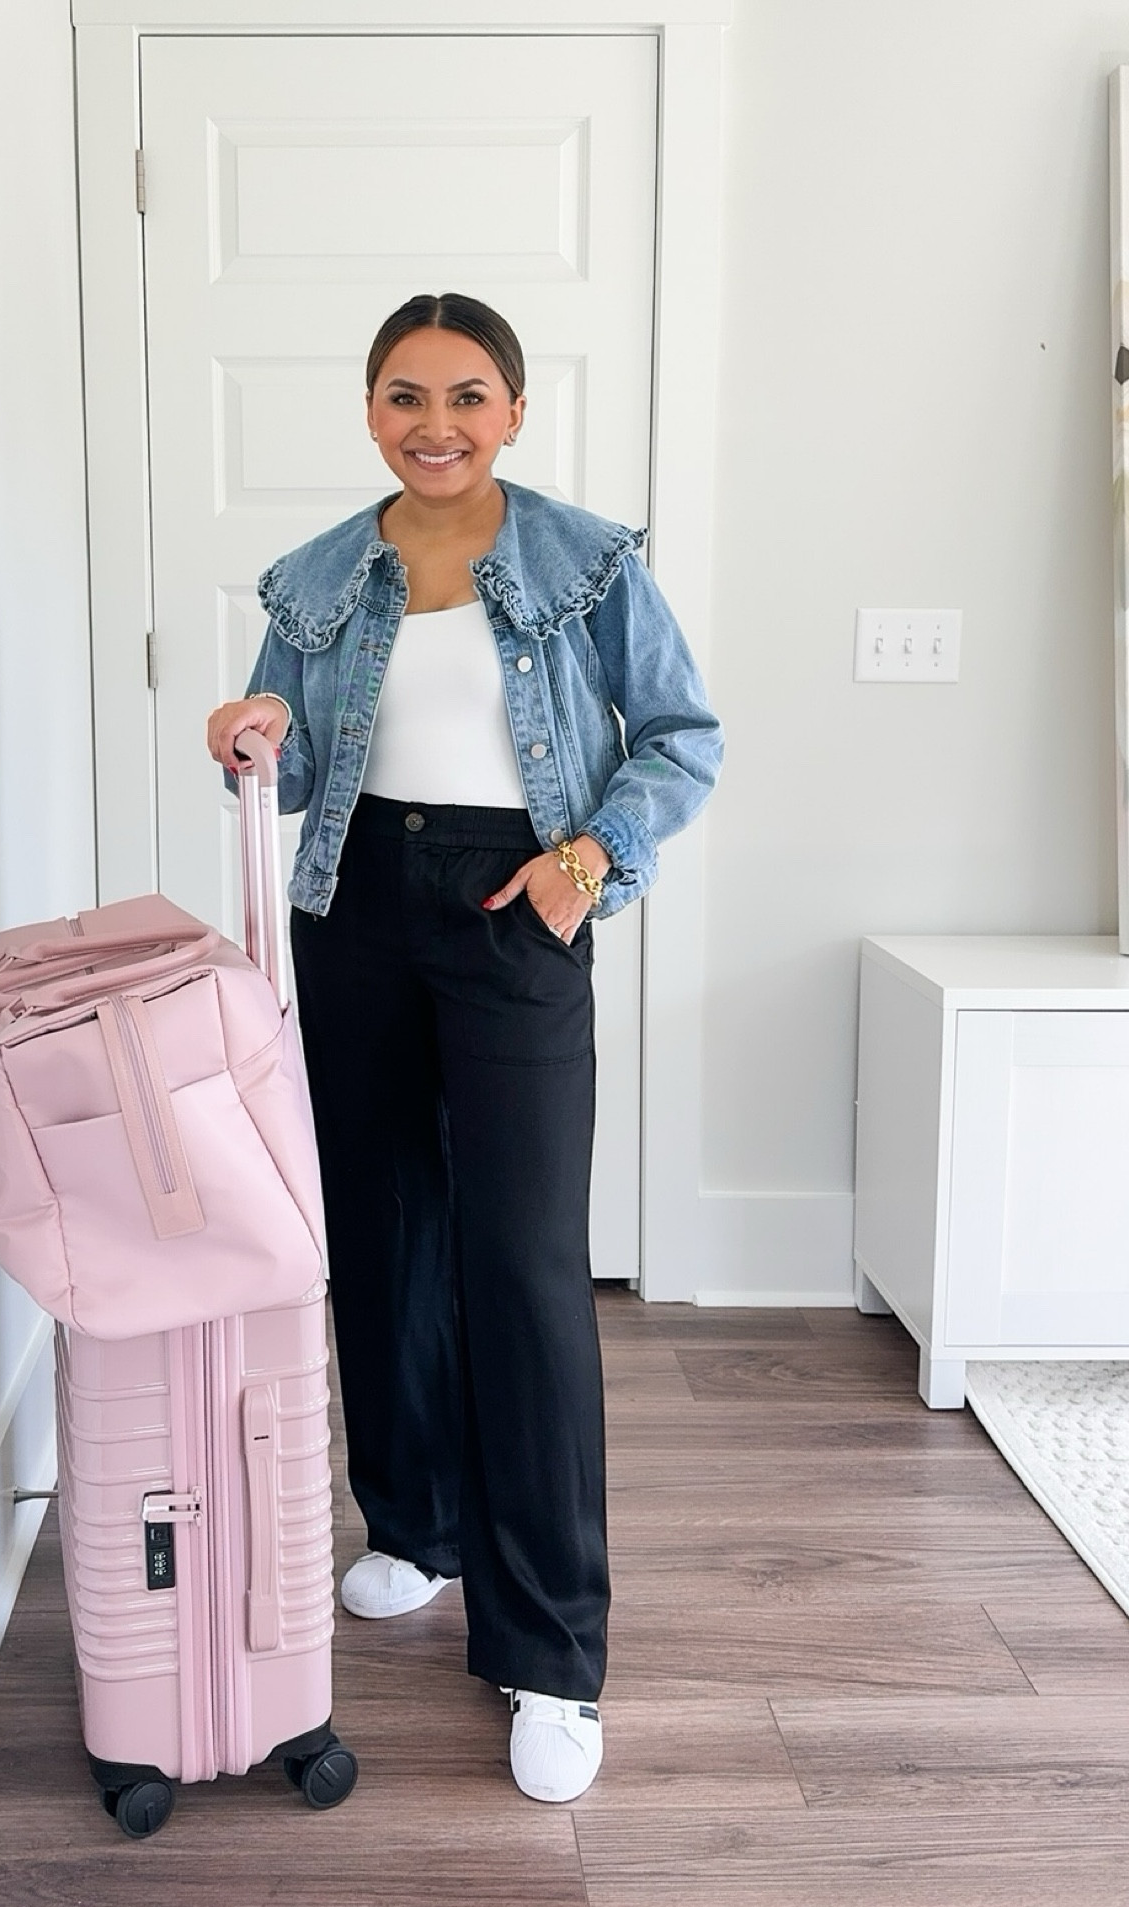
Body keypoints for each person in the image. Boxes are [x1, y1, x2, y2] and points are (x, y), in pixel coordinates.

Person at [206, 293, 721, 1803]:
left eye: (468, 395)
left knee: (521, 1266)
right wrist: (248, 731)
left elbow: (679, 734)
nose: (436, 423)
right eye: (405, 395)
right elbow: (294, 766)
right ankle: (414, 1530)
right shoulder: (317, 576)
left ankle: (551, 1652)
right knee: (380, 1235)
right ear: (371, 409)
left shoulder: (586, 559)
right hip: (356, 907)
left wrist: (588, 867)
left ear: (512, 411)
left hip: (516, 905)